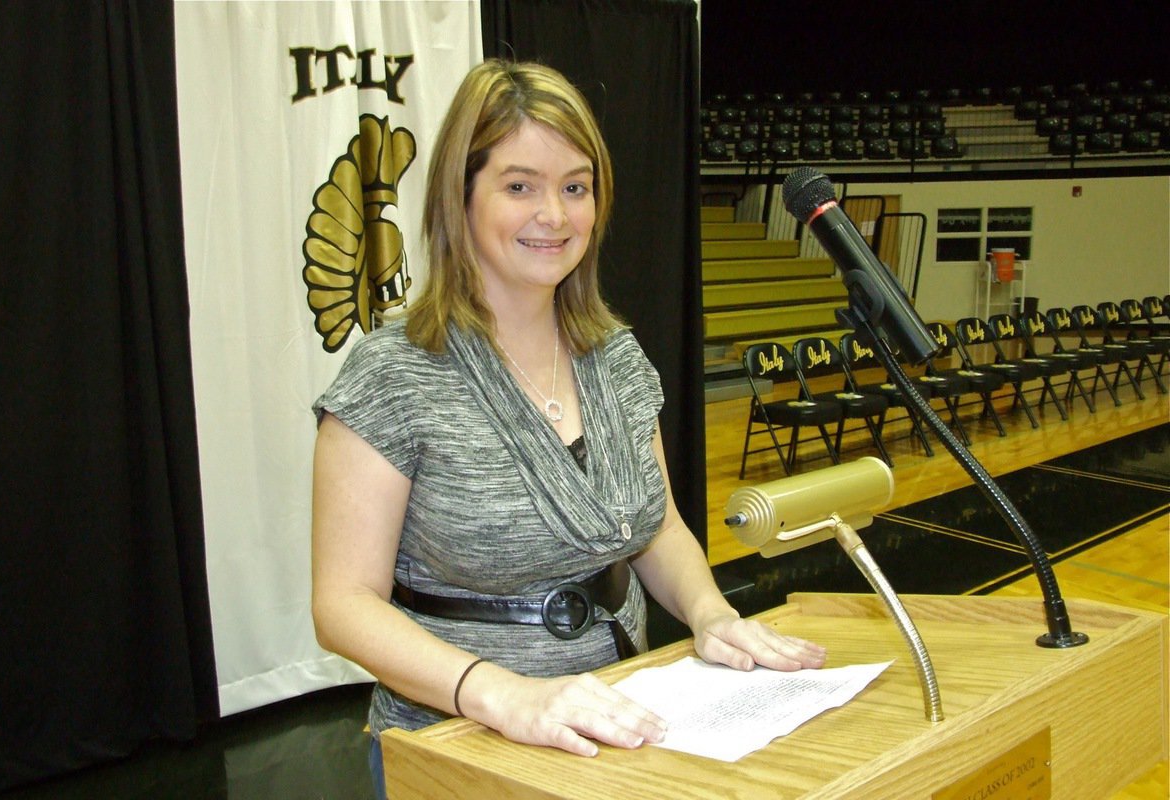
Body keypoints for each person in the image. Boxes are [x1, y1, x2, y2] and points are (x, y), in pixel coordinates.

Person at [310, 58, 826, 794]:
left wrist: (710, 614)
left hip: (620, 724)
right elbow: (342, 605)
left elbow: (657, 527)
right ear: (462, 197)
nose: (554, 214)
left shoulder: (616, 356)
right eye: (520, 186)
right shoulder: (391, 374)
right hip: (455, 746)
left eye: (575, 187)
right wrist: (507, 697)